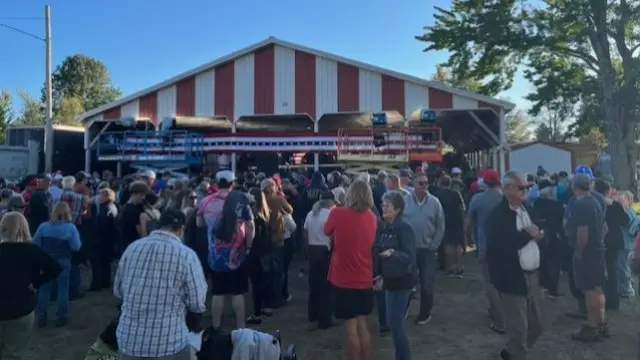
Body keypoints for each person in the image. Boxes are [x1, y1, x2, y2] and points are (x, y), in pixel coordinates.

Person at [114, 208, 207, 360]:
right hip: (169, 341)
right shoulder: (186, 255)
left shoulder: (132, 248)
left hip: (129, 339)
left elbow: (118, 290)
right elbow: (197, 302)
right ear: (181, 229)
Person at [486, 171, 546, 360]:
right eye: (521, 188)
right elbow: (501, 247)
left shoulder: (527, 208)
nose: (525, 191)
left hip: (533, 274)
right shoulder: (497, 216)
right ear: (506, 189)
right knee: (519, 327)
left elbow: (539, 227)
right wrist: (527, 235)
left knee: (538, 323)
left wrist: (541, 235)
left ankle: (511, 352)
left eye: (527, 187)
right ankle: (517, 352)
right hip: (512, 276)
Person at [325, 180, 377, 360]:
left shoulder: (338, 213)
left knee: (351, 327)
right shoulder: (372, 217)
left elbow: (326, 230)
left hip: (344, 278)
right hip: (364, 277)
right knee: (363, 325)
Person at [0, 212, 61, 359]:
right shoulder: (32, 251)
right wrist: (36, 283)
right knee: (14, 353)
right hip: (21, 308)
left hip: (14, 307)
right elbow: (55, 268)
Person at [199, 170, 255, 330]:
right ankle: (241, 326)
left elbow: (199, 223)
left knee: (218, 292)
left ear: (216, 183)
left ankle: (216, 326)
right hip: (238, 253)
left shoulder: (206, 201)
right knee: (238, 292)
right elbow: (250, 225)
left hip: (215, 255)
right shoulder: (241, 200)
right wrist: (249, 245)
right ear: (233, 183)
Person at [374, 191, 417, 360]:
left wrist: (394, 253)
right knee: (393, 323)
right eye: (383, 204)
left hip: (402, 281)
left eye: (387, 205)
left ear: (397, 209)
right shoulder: (385, 227)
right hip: (389, 280)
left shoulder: (404, 228)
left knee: (395, 324)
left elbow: (410, 257)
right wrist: (380, 275)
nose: (383, 208)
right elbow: (379, 251)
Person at [565, 174, 607, 342]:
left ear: (574, 187)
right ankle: (601, 321)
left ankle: (591, 326)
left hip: (588, 252)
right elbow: (605, 227)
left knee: (589, 290)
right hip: (598, 249)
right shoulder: (596, 201)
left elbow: (583, 234)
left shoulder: (581, 204)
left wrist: (579, 251)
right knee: (597, 287)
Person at [403, 172, 444, 324]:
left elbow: (440, 226)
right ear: (413, 184)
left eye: (426, 183)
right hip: (409, 248)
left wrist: (434, 245)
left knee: (427, 284)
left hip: (427, 249)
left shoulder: (435, 202)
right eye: (421, 183)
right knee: (407, 282)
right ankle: (403, 310)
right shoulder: (405, 201)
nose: (424, 186)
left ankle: (425, 313)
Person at [33, 202, 82, 328]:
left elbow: (35, 242)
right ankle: (61, 316)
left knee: (44, 289)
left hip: (46, 260)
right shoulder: (70, 228)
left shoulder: (43, 226)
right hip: (63, 260)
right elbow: (76, 247)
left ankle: (41, 317)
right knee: (63, 288)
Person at [304, 191, 336, 330]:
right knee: (325, 286)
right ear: (330, 202)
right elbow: (333, 233)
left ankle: (313, 313)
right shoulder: (330, 214)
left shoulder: (311, 213)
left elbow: (304, 232)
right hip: (325, 250)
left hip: (312, 249)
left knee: (313, 283)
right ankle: (324, 319)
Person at [262, 178, 293, 311]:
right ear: (272, 187)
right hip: (277, 239)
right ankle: (276, 299)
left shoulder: (259, 199)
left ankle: (265, 299)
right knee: (277, 271)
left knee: (265, 271)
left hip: (262, 240)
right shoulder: (277, 200)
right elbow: (289, 209)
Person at [246, 187, 272, 325]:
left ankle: (256, 313)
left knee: (256, 283)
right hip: (265, 250)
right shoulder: (265, 213)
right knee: (264, 280)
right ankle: (265, 307)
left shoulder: (252, 215)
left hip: (255, 252)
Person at [434, 175, 466, 278]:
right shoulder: (456, 193)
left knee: (447, 245)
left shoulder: (437, 195)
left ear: (440, 183)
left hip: (444, 221)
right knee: (457, 245)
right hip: (456, 220)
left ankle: (450, 267)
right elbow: (462, 208)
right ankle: (460, 267)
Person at [90, 188, 118, 292]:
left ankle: (97, 283)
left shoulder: (105, 208)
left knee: (97, 262)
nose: (98, 197)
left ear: (106, 196)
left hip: (100, 239)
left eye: (100, 195)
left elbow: (100, 225)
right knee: (105, 262)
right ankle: (105, 282)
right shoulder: (112, 206)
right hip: (108, 240)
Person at [617, 190, 638, 297]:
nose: (619, 200)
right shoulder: (630, 212)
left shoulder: (629, 213)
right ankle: (625, 287)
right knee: (624, 267)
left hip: (626, 244)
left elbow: (631, 229)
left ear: (629, 201)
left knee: (623, 268)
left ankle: (627, 290)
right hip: (626, 244)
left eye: (622, 199)